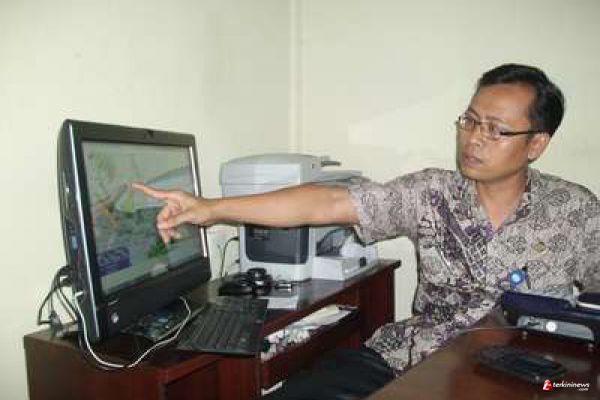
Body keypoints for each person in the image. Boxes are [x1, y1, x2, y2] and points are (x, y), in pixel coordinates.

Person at [133, 64, 600, 399]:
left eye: (495, 130)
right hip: (409, 357)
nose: (474, 138)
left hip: (527, 374)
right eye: (470, 121)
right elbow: (329, 201)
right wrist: (210, 209)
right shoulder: (431, 192)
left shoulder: (575, 209)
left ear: (536, 143)